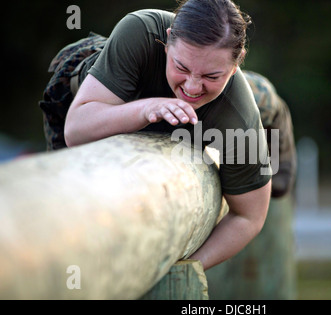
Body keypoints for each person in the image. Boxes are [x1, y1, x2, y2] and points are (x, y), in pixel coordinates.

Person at [39, 0, 296, 270]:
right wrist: (147, 108)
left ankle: (264, 99)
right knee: (71, 228)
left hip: (222, 108)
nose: (192, 87)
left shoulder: (239, 117)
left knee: (256, 97)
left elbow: (249, 216)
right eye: (181, 67)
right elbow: (76, 129)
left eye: (211, 75)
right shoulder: (140, 31)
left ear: (235, 64)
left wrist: (186, 269)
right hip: (94, 94)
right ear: (168, 40)